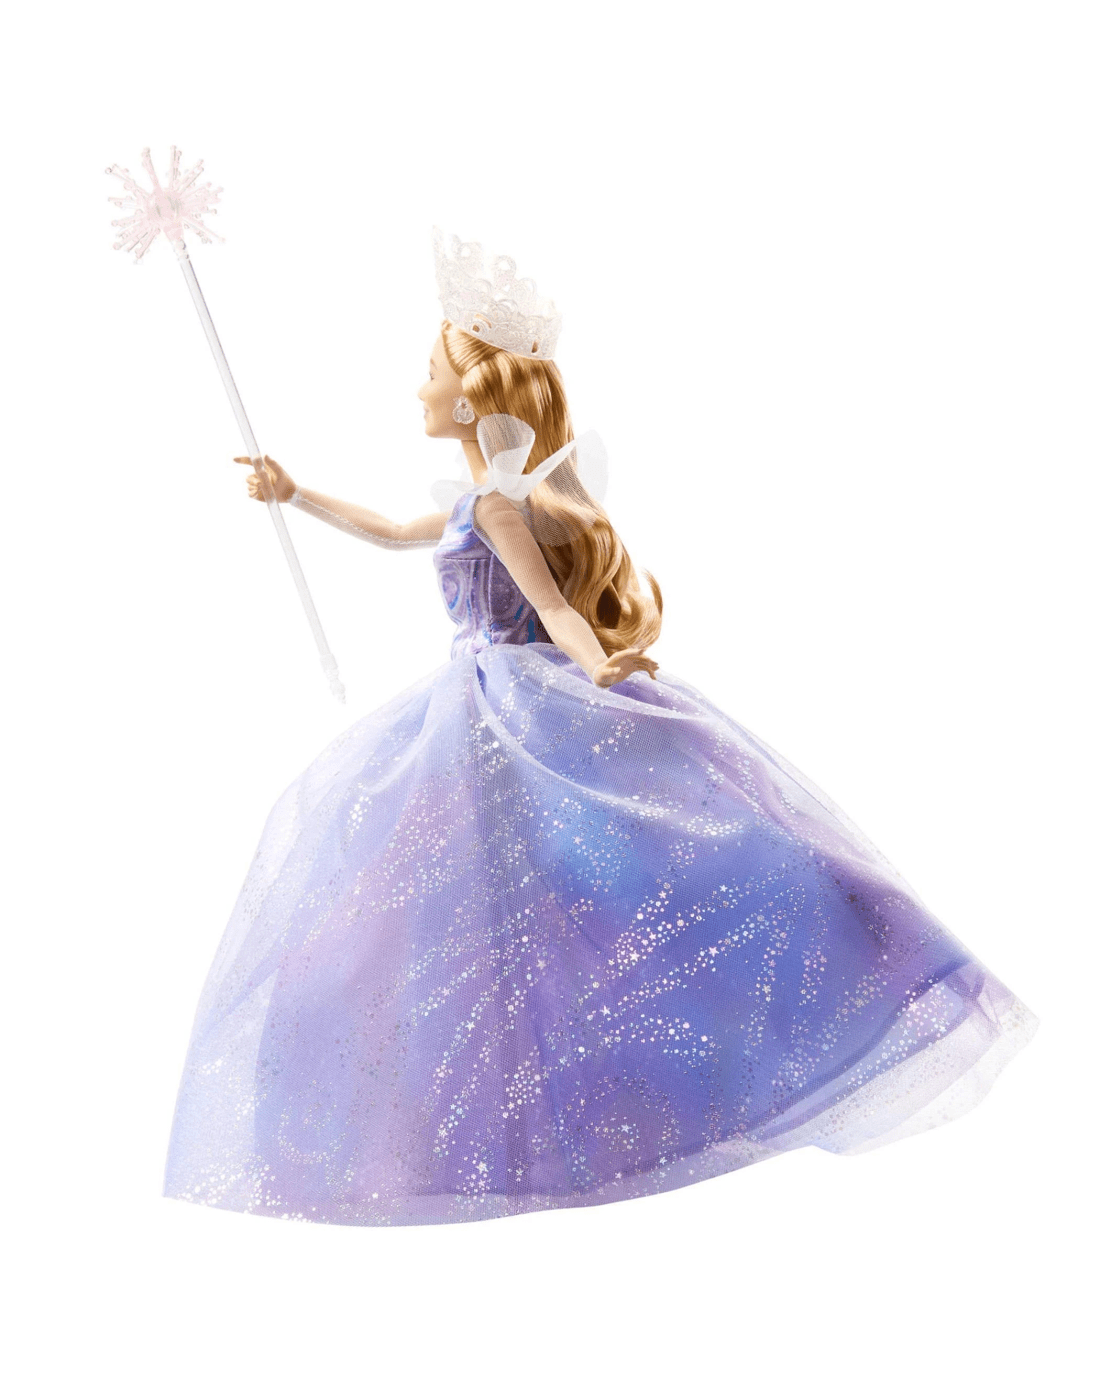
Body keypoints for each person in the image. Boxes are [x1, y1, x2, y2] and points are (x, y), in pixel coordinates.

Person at [163, 231, 1037, 1227]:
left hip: (509, 700)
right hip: (471, 704)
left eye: (430, 373)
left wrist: (597, 664)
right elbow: (395, 531)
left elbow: (549, 605)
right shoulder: (475, 504)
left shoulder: (500, 509)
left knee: (560, 885)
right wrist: (294, 493)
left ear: (472, 400)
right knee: (465, 907)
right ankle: (503, 1116)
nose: (417, 388)